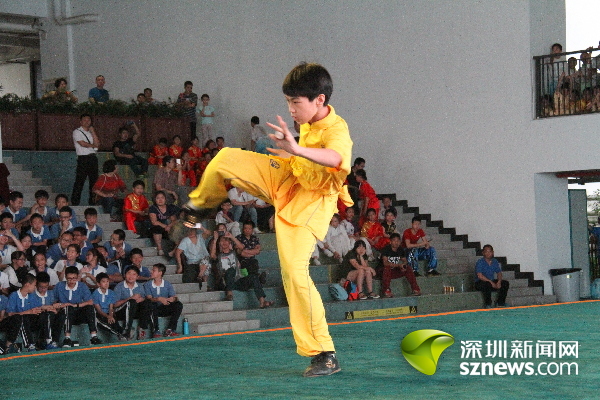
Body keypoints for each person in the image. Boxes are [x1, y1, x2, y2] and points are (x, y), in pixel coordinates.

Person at [182, 63, 349, 377]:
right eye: (288, 102)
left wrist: (296, 148)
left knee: (295, 273)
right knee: (225, 158)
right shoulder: (310, 120)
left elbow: (337, 158)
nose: (291, 109)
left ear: (319, 100)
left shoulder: (337, 129)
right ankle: (201, 205)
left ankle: (324, 353)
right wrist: (291, 153)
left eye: (295, 103)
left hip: (309, 205)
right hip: (288, 175)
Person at [55, 266, 102, 347]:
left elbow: (90, 301)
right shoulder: (59, 286)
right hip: (64, 314)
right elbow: (53, 302)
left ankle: (94, 337)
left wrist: (76, 305)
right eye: (69, 278)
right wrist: (62, 305)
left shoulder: (82, 286)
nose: (71, 281)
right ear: (65, 277)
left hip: (78, 313)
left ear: (77, 277)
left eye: (74, 278)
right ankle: (67, 338)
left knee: (90, 308)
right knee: (68, 308)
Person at [1, 274, 40, 353]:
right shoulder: (13, 296)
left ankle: (46, 341)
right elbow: (9, 314)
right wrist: (28, 312)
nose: (35, 287)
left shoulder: (32, 296)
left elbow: (37, 308)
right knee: (20, 317)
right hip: (15, 321)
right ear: (27, 284)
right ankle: (29, 344)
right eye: (34, 285)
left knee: (41, 315)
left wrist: (49, 307)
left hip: (28, 322)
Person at [143, 263, 183, 337]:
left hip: (164, 308)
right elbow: (149, 298)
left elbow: (175, 297)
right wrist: (159, 299)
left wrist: (172, 299)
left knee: (178, 304)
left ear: (160, 273)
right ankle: (156, 331)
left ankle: (170, 329)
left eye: (154, 270)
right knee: (150, 304)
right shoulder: (147, 284)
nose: (151, 271)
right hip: (153, 309)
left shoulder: (167, 284)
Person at [378, 233, 421, 298]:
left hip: (393, 271)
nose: (396, 242)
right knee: (387, 268)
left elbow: (405, 260)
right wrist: (398, 265)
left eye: (398, 241)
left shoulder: (400, 249)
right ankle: (386, 290)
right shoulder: (386, 249)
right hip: (383, 271)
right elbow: (385, 263)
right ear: (390, 241)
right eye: (394, 240)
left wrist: (403, 265)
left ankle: (415, 289)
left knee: (408, 268)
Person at [113, 266, 150, 340]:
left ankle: (142, 328)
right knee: (131, 302)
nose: (131, 276)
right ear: (124, 275)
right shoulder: (119, 286)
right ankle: (127, 330)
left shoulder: (139, 286)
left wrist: (141, 299)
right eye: (129, 273)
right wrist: (129, 298)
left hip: (133, 311)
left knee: (146, 302)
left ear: (137, 277)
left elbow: (144, 297)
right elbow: (114, 304)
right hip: (121, 312)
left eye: (134, 274)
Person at [71, 114, 100, 206]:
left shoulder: (91, 132)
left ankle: (93, 202)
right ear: (80, 121)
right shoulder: (77, 131)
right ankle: (75, 202)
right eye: (85, 120)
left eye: (89, 120)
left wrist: (93, 132)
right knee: (80, 181)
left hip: (93, 157)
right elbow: (82, 143)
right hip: (83, 158)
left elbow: (97, 144)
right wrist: (93, 146)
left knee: (94, 181)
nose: (87, 122)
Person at [30, 271, 61, 349]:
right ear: (36, 284)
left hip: (51, 318)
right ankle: (48, 341)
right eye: (41, 287)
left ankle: (55, 341)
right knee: (46, 315)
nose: (43, 289)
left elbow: (55, 307)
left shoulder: (51, 293)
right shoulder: (32, 294)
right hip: (37, 319)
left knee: (60, 315)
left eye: (46, 287)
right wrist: (45, 308)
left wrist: (55, 308)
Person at [92, 272, 126, 340]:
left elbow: (111, 307)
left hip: (109, 313)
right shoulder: (95, 294)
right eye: (103, 281)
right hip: (100, 314)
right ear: (98, 284)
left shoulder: (111, 293)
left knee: (114, 322)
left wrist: (111, 316)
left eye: (107, 281)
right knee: (106, 325)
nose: (106, 283)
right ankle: (121, 334)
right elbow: (99, 310)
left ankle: (122, 334)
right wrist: (108, 316)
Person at [148, 191, 179, 256]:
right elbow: (154, 221)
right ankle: (160, 249)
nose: (160, 200)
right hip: (158, 227)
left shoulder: (170, 207)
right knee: (157, 228)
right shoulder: (153, 208)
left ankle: (174, 250)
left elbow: (174, 220)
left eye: (162, 198)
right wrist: (165, 226)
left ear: (165, 199)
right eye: (158, 198)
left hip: (168, 227)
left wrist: (169, 226)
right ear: (155, 200)